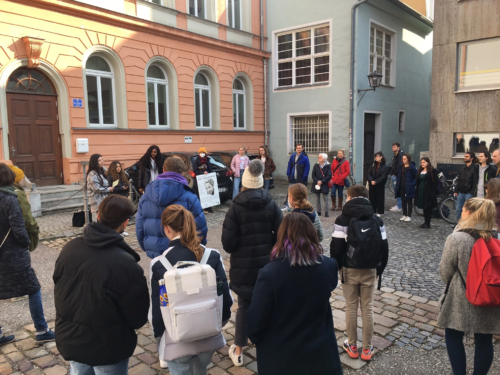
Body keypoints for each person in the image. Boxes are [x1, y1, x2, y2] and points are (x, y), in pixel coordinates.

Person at [54, 195, 149, 374]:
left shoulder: (70, 248)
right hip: (108, 347)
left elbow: (60, 292)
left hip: (72, 339)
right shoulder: (125, 264)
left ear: (98, 216)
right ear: (125, 223)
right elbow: (138, 317)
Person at [247, 213, 343, 375]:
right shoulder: (328, 266)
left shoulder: (270, 274)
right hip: (321, 355)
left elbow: (254, 325)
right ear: (312, 234)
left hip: (282, 358)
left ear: (282, 235)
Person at [149, 205, 233, 373]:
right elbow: (226, 300)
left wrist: (160, 340)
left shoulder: (159, 265)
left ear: (166, 229)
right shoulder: (212, 256)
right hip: (207, 337)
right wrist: (215, 325)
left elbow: (156, 313)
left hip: (176, 342)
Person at [221, 159, 283, 367]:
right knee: (269, 305)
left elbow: (228, 244)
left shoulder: (235, 208)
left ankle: (238, 350)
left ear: (245, 182)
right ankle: (268, 345)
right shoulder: (271, 204)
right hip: (267, 265)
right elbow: (282, 234)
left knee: (244, 307)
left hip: (243, 267)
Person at [437, 198, 500, 375]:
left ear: (470, 213)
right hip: (489, 295)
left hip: (460, 296)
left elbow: (445, 272)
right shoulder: (495, 236)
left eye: (463, 210)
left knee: (453, 336)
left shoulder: (457, 238)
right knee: (484, 339)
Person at [330, 184, 389, 362]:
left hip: (349, 269)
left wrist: (338, 267)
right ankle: (367, 348)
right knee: (368, 308)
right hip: (371, 269)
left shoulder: (342, 219)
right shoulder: (377, 220)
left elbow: (336, 247)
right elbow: (384, 247)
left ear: (349, 197)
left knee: (350, 306)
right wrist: (379, 269)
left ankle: (352, 345)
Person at [0, 163, 54, 346]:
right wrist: (25, 243)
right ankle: (42, 329)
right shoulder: (9, 198)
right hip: (13, 254)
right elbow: (19, 228)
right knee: (33, 288)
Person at [136, 157, 208, 259]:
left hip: (156, 252)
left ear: (164, 170)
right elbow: (200, 227)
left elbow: (139, 227)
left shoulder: (145, 196)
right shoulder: (190, 196)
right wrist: (199, 247)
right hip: (184, 252)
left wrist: (148, 247)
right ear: (182, 173)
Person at [9, 165, 39, 253]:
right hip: (18, 233)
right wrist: (34, 229)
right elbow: (26, 216)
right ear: (17, 179)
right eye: (22, 177)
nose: (23, 179)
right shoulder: (18, 193)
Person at [455, 152, 478, 221]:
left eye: (467, 156)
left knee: (468, 210)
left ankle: (467, 224)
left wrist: (472, 192)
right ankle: (459, 224)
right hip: (461, 192)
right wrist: (456, 190)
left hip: (469, 192)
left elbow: (475, 181)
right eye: (465, 156)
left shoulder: (475, 168)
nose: (465, 157)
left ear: (472, 158)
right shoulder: (462, 168)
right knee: (459, 209)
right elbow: (459, 179)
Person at [416, 157, 439, 229]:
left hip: (429, 192)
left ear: (428, 163)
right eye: (421, 162)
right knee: (424, 207)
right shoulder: (421, 170)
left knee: (428, 207)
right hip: (421, 191)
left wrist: (432, 191)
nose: (422, 164)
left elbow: (436, 181)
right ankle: (425, 222)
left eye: (424, 162)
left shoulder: (432, 171)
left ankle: (427, 223)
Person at [395, 154, 417, 222]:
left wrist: (412, 184)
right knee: (403, 200)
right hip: (401, 185)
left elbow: (416, 177)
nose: (403, 160)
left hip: (409, 186)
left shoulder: (412, 167)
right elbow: (399, 175)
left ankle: (409, 215)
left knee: (409, 201)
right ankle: (404, 214)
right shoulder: (401, 167)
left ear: (408, 159)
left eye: (405, 159)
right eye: (403, 159)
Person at [367, 152, 389, 216]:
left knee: (380, 198)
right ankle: (372, 210)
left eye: (377, 156)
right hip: (372, 183)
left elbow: (383, 176)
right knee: (372, 197)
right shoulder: (373, 165)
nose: (376, 158)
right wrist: (371, 180)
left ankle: (379, 211)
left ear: (381, 157)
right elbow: (369, 173)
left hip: (380, 184)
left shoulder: (385, 166)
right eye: (375, 156)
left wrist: (376, 181)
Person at [192, 147, 213, 213]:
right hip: (200, 179)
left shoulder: (208, 160)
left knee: (208, 193)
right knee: (200, 194)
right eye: (201, 152)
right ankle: (200, 207)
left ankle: (208, 207)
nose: (202, 154)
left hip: (207, 179)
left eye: (203, 152)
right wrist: (202, 172)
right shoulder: (196, 161)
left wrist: (210, 174)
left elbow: (210, 169)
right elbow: (195, 170)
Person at [389, 142, 405, 212]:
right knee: (396, 190)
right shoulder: (396, 154)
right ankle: (399, 205)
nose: (393, 148)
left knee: (398, 190)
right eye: (392, 147)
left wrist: (394, 174)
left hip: (397, 176)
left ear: (398, 147)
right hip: (395, 175)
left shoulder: (400, 155)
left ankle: (399, 206)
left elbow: (399, 166)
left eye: (394, 147)